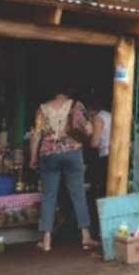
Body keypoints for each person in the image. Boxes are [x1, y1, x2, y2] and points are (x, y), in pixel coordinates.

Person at [29, 91, 100, 252]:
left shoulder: (42, 108)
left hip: (48, 154)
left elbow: (36, 135)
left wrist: (33, 157)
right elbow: (88, 130)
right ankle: (85, 236)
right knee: (78, 193)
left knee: (49, 195)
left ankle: (46, 240)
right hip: (72, 151)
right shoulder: (76, 106)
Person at [89, 99, 112, 196]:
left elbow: (94, 143)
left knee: (101, 187)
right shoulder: (109, 115)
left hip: (105, 154)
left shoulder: (98, 118)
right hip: (113, 152)